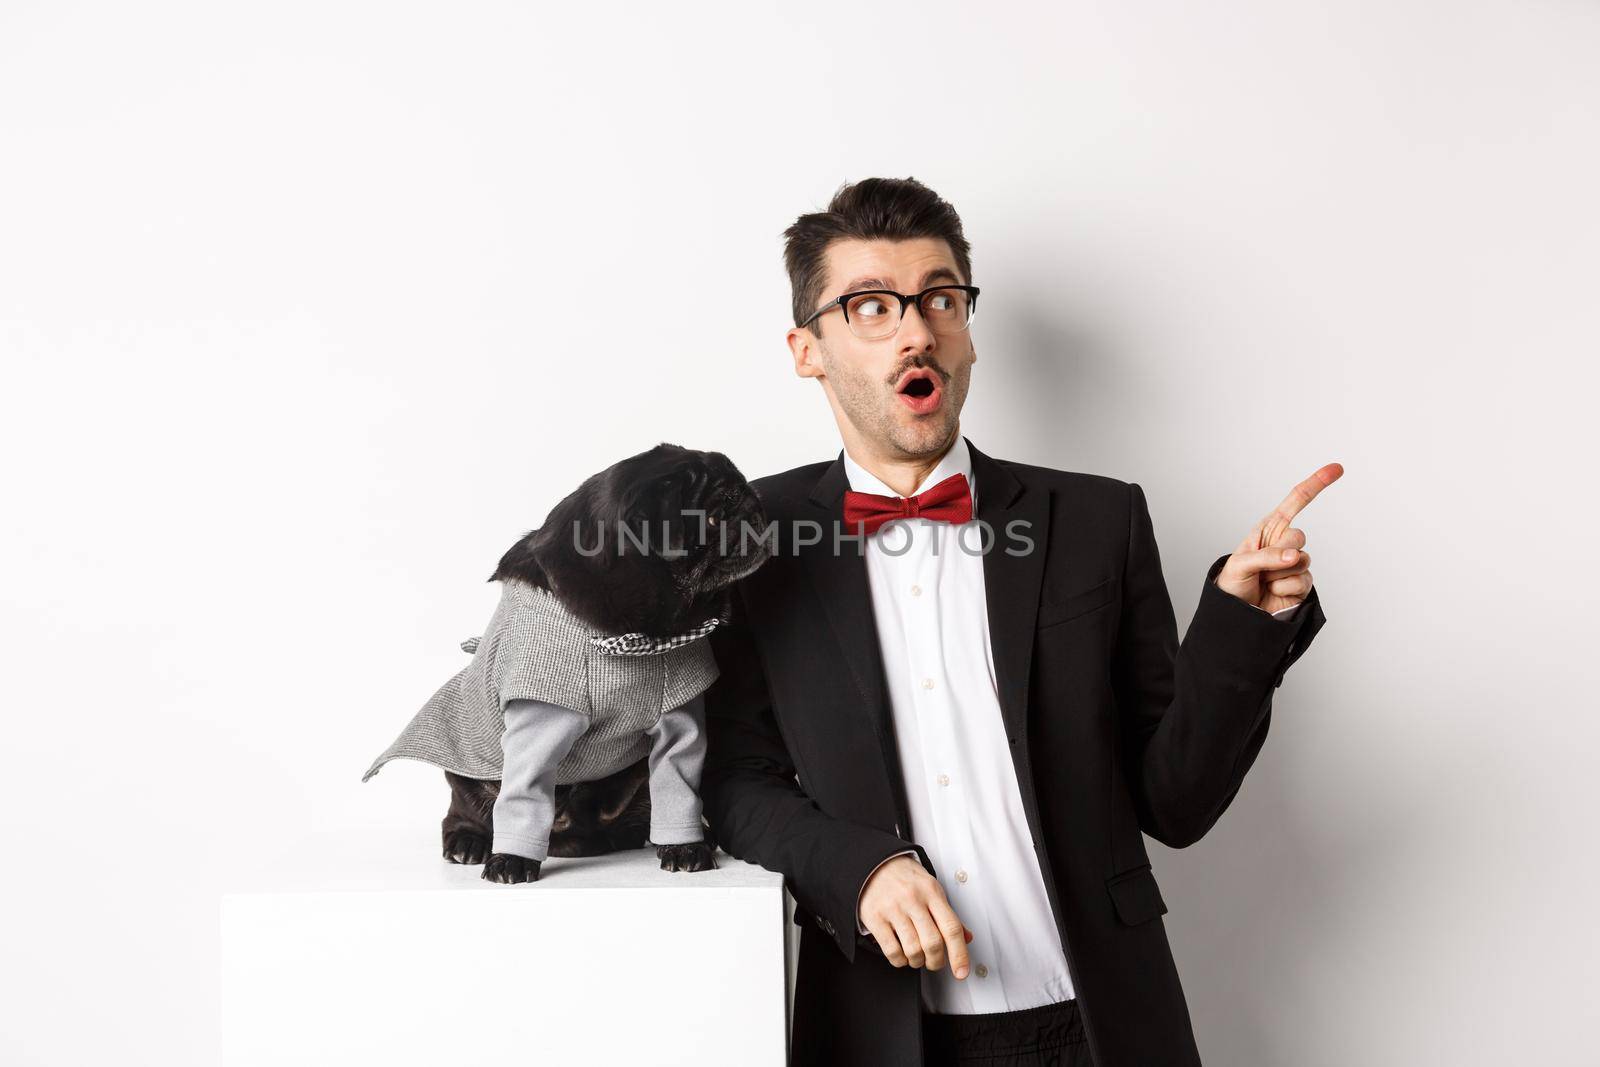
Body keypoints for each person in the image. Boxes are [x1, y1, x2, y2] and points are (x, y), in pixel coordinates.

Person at [700, 176, 1336, 1067]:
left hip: (1100, 1027)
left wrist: (1243, 626)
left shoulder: (1098, 521)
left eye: (940, 299)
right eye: (872, 307)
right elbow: (731, 780)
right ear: (808, 349)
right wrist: (860, 867)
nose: (917, 328)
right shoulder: (751, 540)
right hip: (882, 1031)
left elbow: (1175, 802)